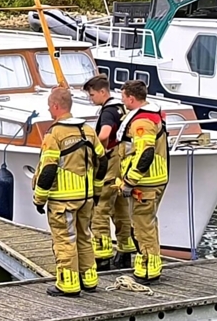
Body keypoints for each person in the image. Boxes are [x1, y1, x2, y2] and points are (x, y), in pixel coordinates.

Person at [33, 86, 106, 297]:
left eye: (49, 106)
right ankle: (89, 279)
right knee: (84, 237)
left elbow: (48, 169)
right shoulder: (88, 130)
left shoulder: (54, 134)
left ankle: (68, 284)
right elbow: (102, 161)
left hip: (63, 200)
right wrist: (96, 190)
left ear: (56, 106)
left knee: (65, 240)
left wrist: (39, 198)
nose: (48, 110)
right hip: (86, 197)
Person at [117, 79, 169, 283]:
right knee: (148, 223)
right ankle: (150, 265)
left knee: (142, 226)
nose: (122, 101)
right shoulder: (152, 115)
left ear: (131, 98)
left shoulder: (142, 122)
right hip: (154, 179)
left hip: (145, 183)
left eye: (123, 97)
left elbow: (145, 153)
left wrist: (130, 180)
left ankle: (148, 270)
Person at [83, 74, 136, 270]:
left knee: (100, 207)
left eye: (92, 94)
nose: (91, 99)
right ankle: (125, 251)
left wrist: (98, 151)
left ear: (102, 92)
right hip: (123, 163)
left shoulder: (107, 111)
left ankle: (102, 255)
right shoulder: (121, 108)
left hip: (111, 162)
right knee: (121, 208)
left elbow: (105, 134)